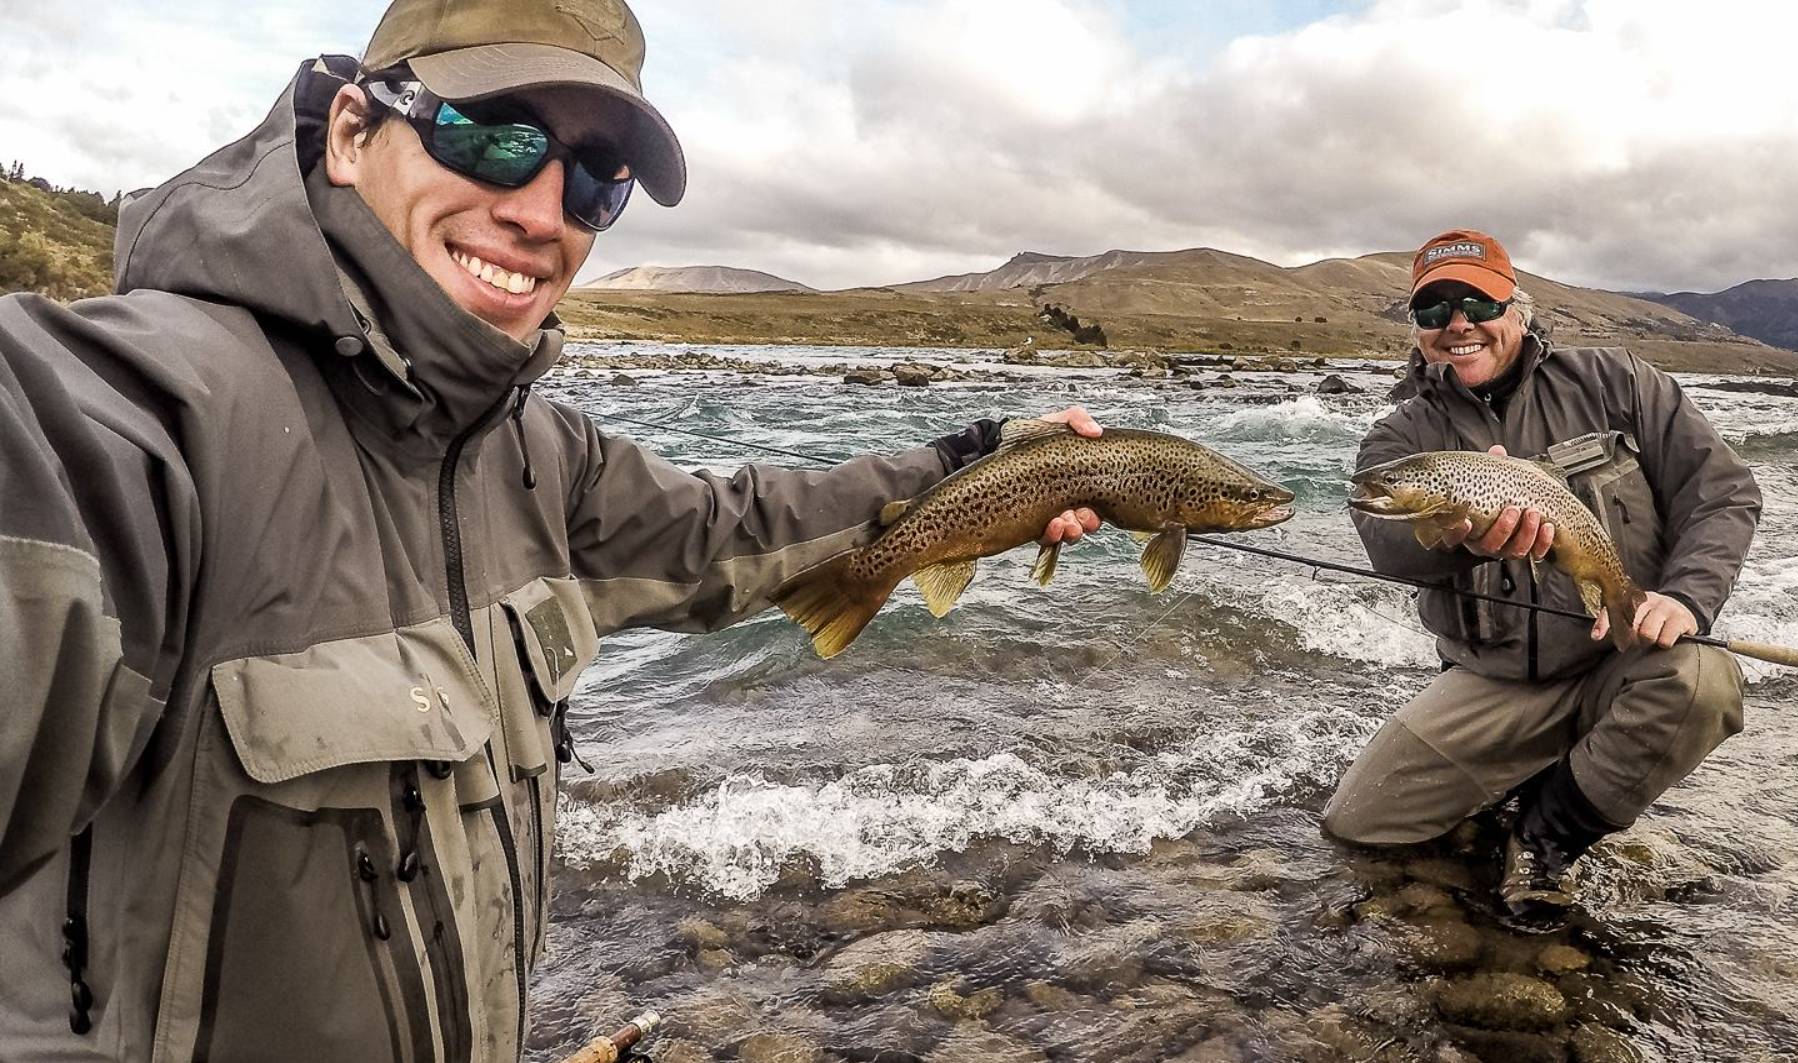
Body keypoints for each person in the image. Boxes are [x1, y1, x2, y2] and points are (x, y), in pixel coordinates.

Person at [0, 0, 1104, 1056]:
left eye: (592, 181)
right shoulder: (146, 411)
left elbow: (741, 526)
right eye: (491, 136)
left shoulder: (542, 457)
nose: (539, 212)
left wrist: (971, 464)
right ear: (351, 130)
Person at [1321, 229, 1759, 924]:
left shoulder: (1618, 382)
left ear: (1517, 309)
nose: (1457, 324)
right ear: (1419, 328)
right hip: (1493, 682)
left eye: (1476, 303)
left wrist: (1685, 597)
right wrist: (1462, 540)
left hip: (1620, 653)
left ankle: (1549, 833)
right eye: (1434, 311)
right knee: (1355, 824)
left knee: (1703, 681)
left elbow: (1723, 493)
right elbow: (1385, 545)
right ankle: (1526, 776)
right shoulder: (1402, 436)